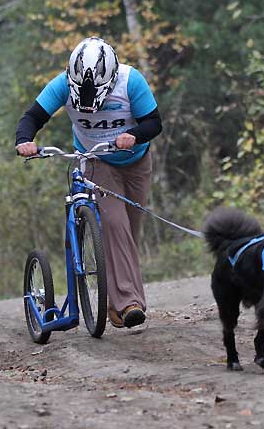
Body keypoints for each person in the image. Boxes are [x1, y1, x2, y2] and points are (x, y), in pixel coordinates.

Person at [15, 36, 162, 328]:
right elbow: (32, 116)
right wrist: (24, 140)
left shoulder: (131, 81)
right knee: (115, 224)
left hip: (135, 161)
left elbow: (154, 123)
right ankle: (129, 303)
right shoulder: (62, 84)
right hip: (94, 160)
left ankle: (111, 303)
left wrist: (134, 135)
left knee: (129, 230)